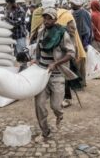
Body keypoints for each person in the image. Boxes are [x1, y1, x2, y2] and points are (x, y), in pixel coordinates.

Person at [33, 8, 76, 142]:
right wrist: (35, 60)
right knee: (39, 104)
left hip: (57, 75)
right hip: (42, 74)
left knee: (56, 106)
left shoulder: (62, 34)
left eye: (49, 18)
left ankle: (59, 115)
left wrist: (56, 63)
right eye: (45, 18)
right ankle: (45, 132)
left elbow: (71, 53)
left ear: (55, 19)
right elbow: (38, 50)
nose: (46, 21)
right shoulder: (41, 32)